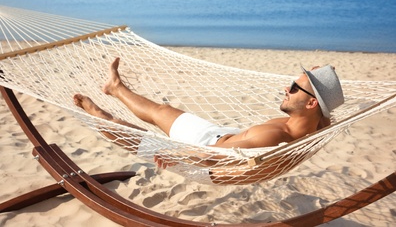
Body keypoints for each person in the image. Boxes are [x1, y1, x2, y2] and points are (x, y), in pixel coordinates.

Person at [74, 57, 344, 169]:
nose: (288, 87)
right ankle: (115, 87)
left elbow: (217, 158)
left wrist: (178, 157)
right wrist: (322, 81)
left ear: (310, 104)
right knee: (161, 111)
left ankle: (97, 111)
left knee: (126, 131)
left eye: (296, 87)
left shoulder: (276, 137)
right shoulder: (316, 123)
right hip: (218, 134)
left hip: (200, 149)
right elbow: (326, 116)